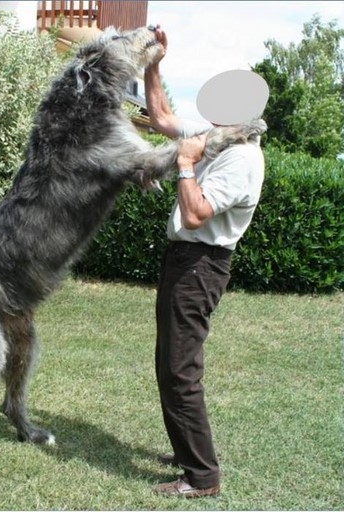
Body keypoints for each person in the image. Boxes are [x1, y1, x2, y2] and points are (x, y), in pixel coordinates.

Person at [143, 25, 269, 498]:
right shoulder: (216, 138)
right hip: (184, 261)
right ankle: (184, 452)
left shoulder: (243, 159)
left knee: (180, 369)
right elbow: (159, 116)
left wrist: (184, 164)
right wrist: (155, 62)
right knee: (169, 362)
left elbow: (195, 214)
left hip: (202, 264)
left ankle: (202, 477)